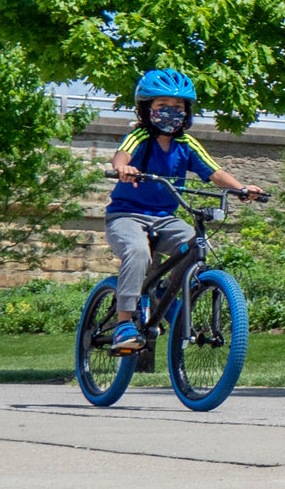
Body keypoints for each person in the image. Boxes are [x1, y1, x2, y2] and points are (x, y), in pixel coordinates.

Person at [105, 68, 264, 353]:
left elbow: (214, 171)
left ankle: (166, 293)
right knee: (138, 252)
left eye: (177, 107)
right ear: (146, 109)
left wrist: (241, 189)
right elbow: (122, 154)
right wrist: (122, 169)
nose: (170, 112)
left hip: (165, 219)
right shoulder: (139, 136)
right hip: (126, 215)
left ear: (187, 112)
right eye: (162, 106)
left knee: (195, 245)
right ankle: (124, 324)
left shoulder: (186, 144)